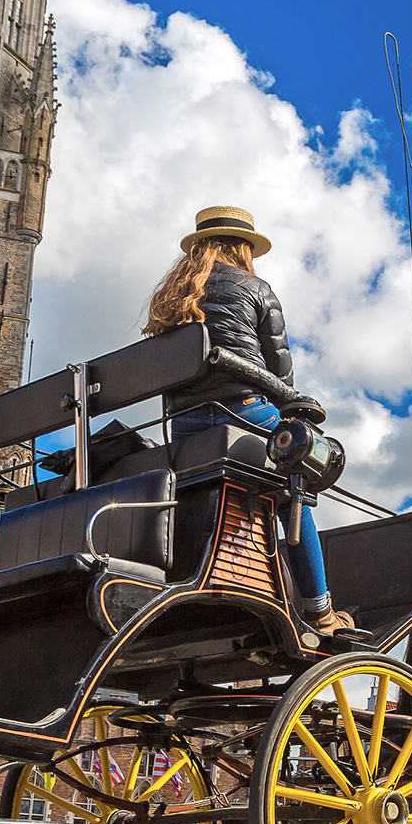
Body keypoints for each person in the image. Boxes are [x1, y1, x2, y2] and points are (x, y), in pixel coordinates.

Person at [145, 206, 350, 635]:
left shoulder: (171, 298)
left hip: (181, 428)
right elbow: (281, 375)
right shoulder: (256, 287)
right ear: (243, 248)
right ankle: (320, 610)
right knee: (299, 488)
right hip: (244, 411)